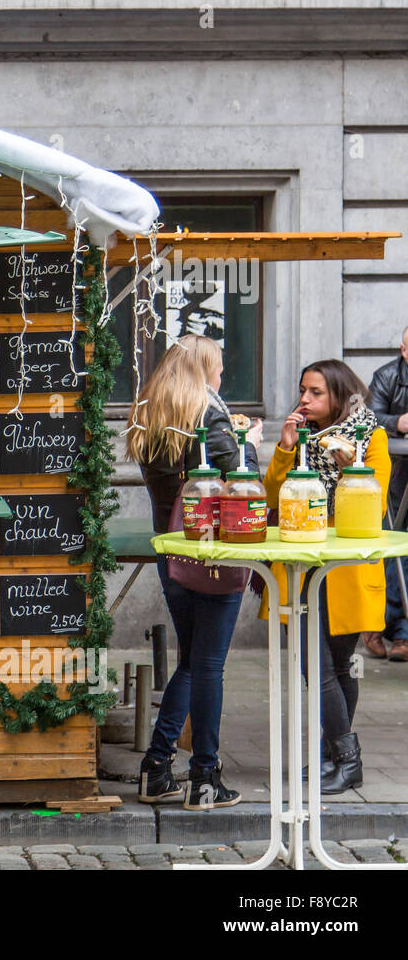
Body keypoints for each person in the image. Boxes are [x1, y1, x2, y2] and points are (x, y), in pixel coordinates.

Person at [127, 335, 261, 810]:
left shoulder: (150, 416)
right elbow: (244, 487)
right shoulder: (211, 414)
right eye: (218, 366)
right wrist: (250, 446)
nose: (221, 375)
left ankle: (156, 768)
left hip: (171, 552)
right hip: (213, 554)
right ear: (204, 368)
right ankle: (205, 777)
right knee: (208, 665)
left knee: (191, 660)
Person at [262, 360, 389, 794]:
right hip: (300, 566)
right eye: (303, 391)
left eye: (315, 392)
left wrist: (350, 467)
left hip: (345, 569)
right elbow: (271, 495)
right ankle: (339, 758)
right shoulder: (300, 441)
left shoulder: (372, 437)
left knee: (337, 666)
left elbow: (372, 501)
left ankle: (339, 758)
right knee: (314, 664)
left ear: (338, 395)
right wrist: (284, 447)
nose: (304, 400)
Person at [366, 327, 408, 661]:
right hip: (396, 475)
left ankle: (382, 626)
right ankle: (395, 630)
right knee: (398, 548)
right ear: (403, 350)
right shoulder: (387, 376)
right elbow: (368, 417)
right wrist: (399, 422)